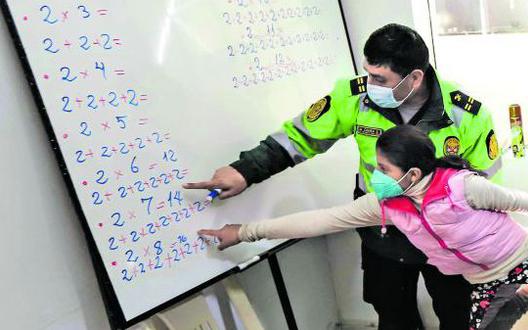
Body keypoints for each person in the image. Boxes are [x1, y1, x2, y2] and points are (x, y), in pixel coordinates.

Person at [184, 24, 502, 329]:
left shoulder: (466, 116)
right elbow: (298, 138)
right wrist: (244, 171)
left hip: (444, 236)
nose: (369, 84)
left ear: (414, 78)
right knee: (393, 317)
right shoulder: (353, 98)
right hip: (382, 232)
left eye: (379, 78)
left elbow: (485, 187)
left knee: (461, 317)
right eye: (367, 73)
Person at [198, 125, 528, 330]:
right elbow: (321, 220)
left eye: (384, 170)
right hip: (481, 282)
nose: (375, 176)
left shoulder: (463, 187)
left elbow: (517, 200)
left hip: (525, 266)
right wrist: (246, 231)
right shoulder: (387, 206)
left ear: (412, 173)